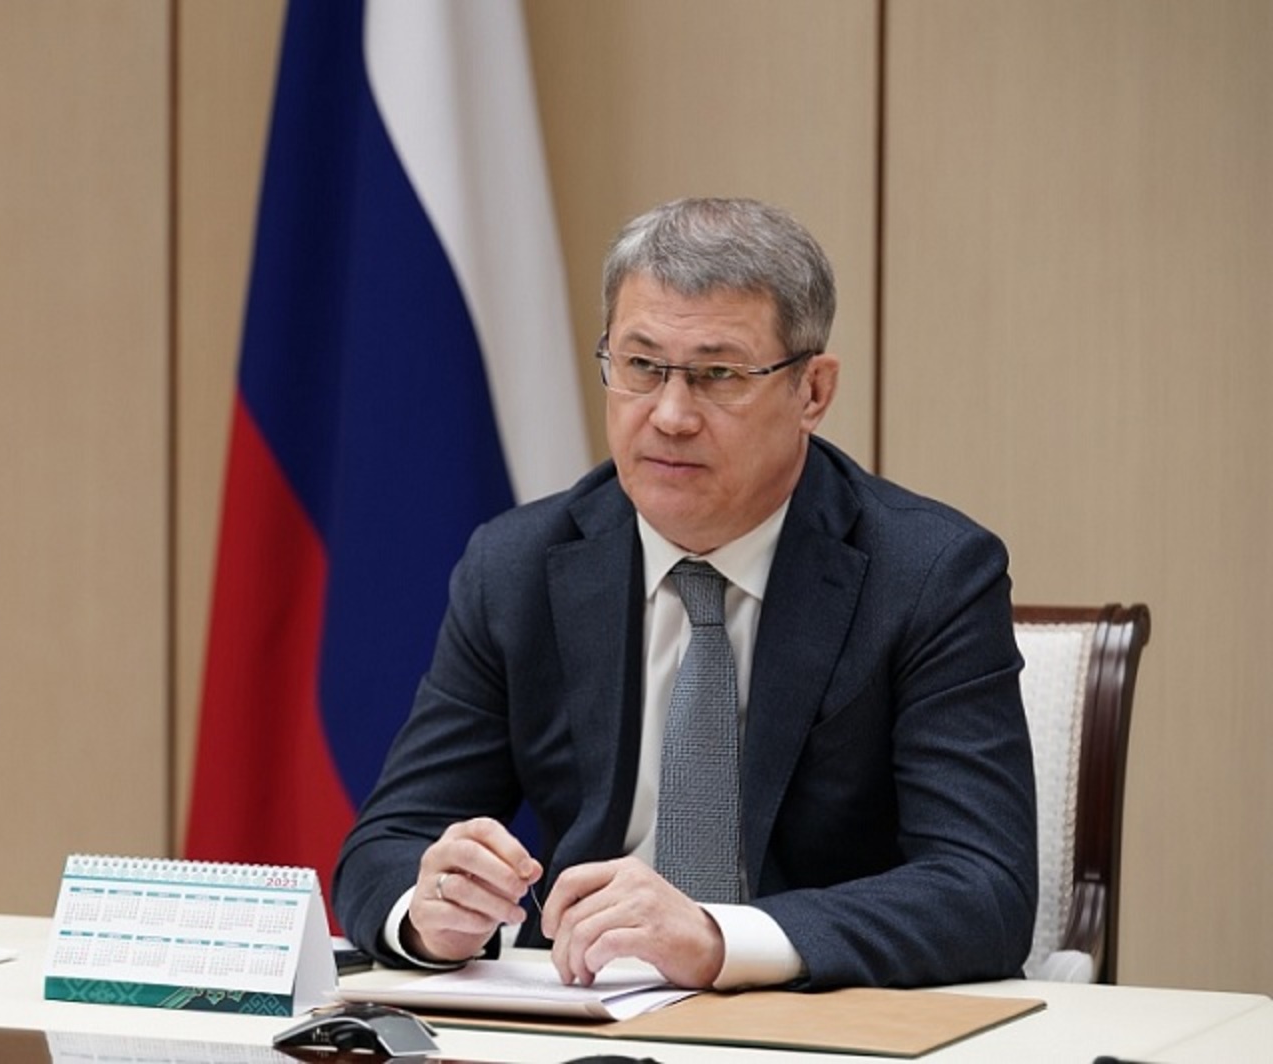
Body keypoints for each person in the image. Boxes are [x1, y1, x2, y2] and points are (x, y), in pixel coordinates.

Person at [331, 197, 1037, 991]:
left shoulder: (929, 574)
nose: (669, 416)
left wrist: (717, 939)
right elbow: (385, 845)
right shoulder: (519, 566)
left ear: (812, 391)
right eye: (641, 367)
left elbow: (984, 889)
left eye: (718, 375)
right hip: (582, 1010)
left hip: (812, 1016)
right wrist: (429, 911)